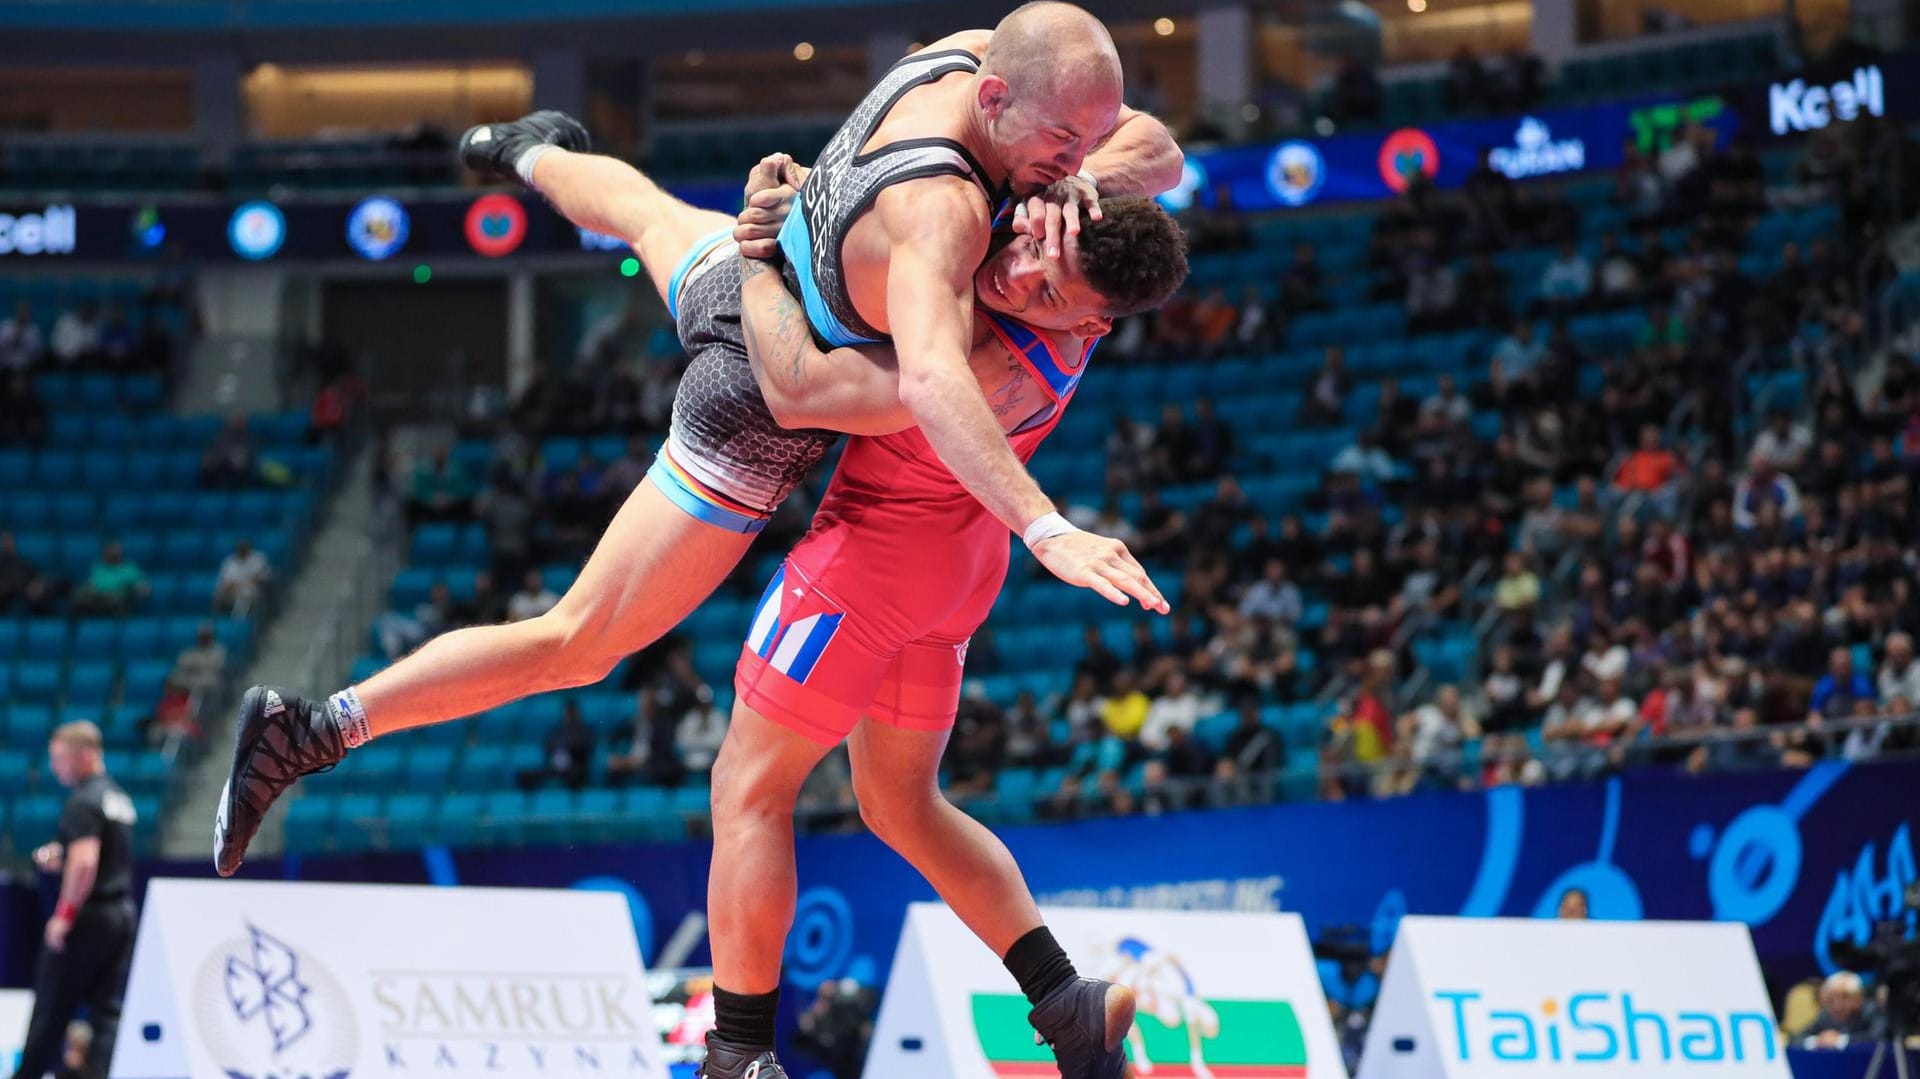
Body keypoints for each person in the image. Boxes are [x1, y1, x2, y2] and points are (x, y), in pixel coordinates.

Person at [216, 79, 1184, 1079]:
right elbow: (1152, 148)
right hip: (949, 571)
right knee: (902, 802)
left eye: (1048, 286)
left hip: (799, 442)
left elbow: (797, 384)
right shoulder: (1040, 234)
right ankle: (1065, 1001)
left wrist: (768, 252)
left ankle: (738, 1053)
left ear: (1094, 321)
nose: (1022, 271)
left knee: (692, 739)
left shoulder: (980, 336)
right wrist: (1053, 184)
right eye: (1032, 245)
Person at [12, 723, 137, 1079]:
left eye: (60, 758)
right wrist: (62, 854)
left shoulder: (82, 802)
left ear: (85, 755)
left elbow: (85, 862)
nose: (56, 767)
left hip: (89, 916)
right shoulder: (118, 798)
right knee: (106, 1013)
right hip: (121, 914)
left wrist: (64, 914)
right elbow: (95, 855)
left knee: (52, 1008)